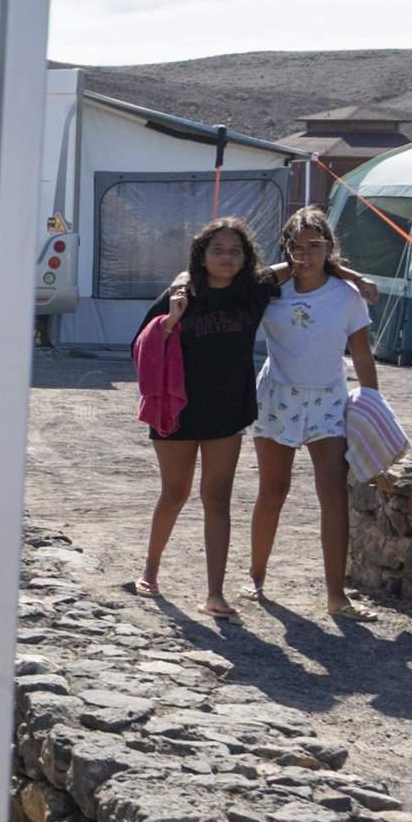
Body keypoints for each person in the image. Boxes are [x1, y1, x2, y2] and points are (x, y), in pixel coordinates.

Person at [243, 207, 380, 618]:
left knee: (333, 495)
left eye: (315, 246)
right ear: (285, 249)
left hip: (328, 400)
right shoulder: (272, 291)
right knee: (273, 491)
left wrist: (372, 405)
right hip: (278, 395)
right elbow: (248, 286)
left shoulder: (346, 298)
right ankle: (256, 576)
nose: (306, 255)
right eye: (296, 247)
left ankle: (337, 596)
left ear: (329, 248)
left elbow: (362, 354)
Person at [137, 218, 272, 616]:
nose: (226, 258)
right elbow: (141, 345)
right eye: (217, 250)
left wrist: (351, 275)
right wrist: (175, 313)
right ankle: (150, 569)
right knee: (174, 494)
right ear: (201, 255)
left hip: (227, 413)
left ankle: (215, 593)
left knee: (217, 500)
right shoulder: (181, 293)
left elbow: (301, 265)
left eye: (235, 251)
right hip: (176, 411)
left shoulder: (254, 292)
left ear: (246, 257)